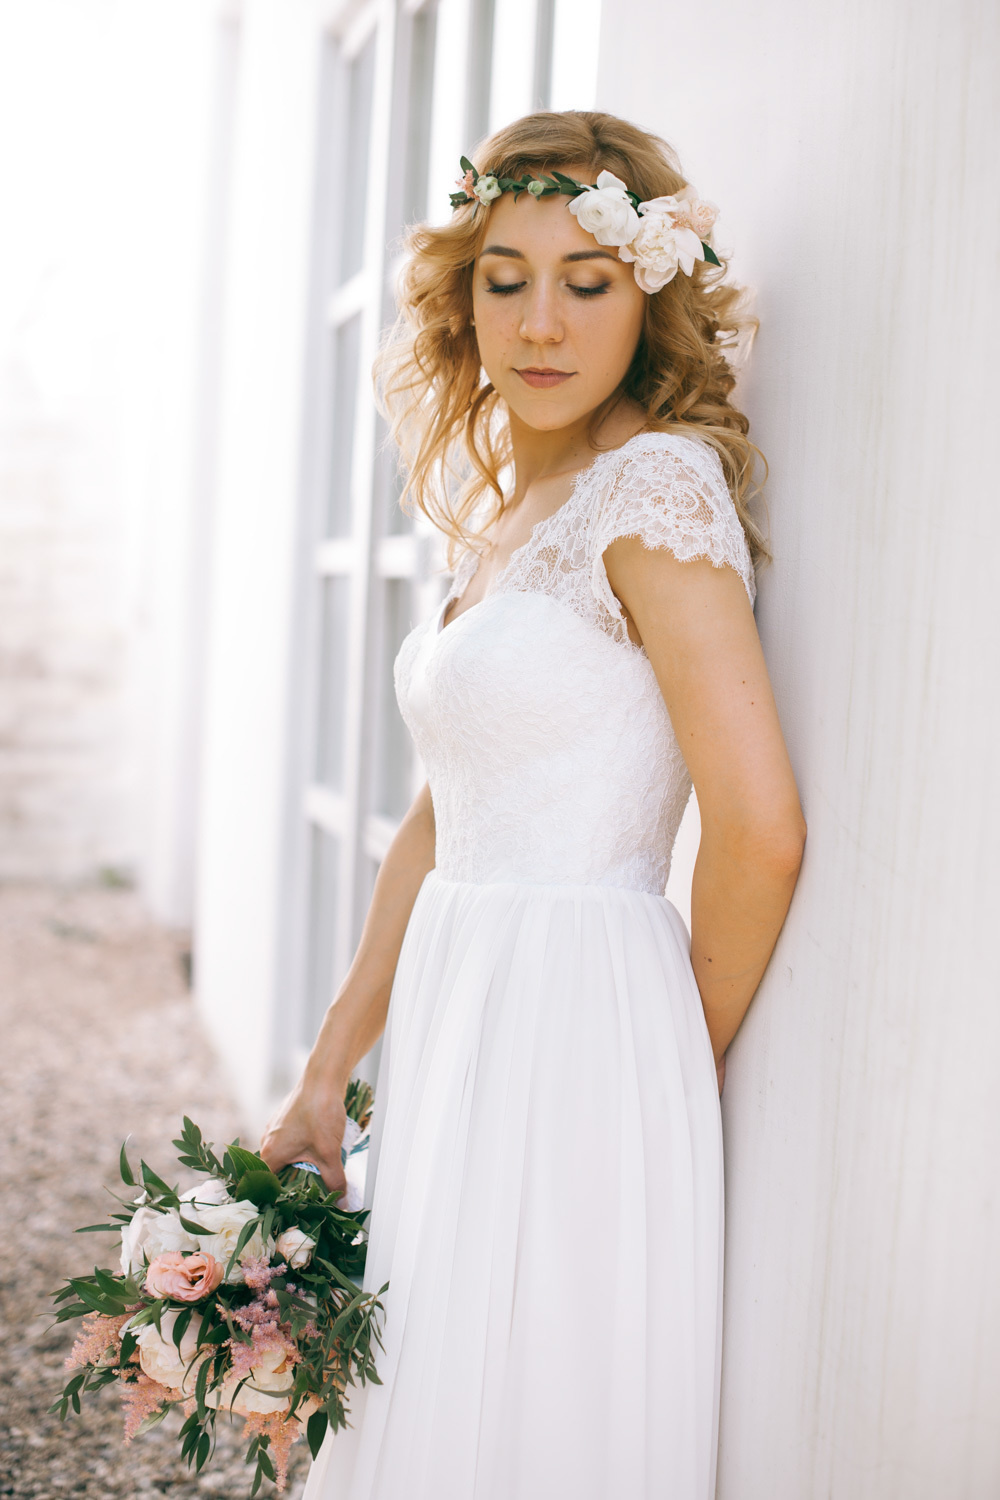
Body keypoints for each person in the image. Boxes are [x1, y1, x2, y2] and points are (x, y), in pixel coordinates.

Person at [261, 109, 806, 1499]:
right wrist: (328, 1072)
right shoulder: (517, 507)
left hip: (582, 1020)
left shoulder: (654, 493)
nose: (541, 324)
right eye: (505, 280)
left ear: (651, 296)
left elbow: (759, 829)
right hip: (463, 1003)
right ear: (465, 301)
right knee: (438, 1379)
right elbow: (443, 818)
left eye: (589, 281)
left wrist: (658, 1059)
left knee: (538, 1400)